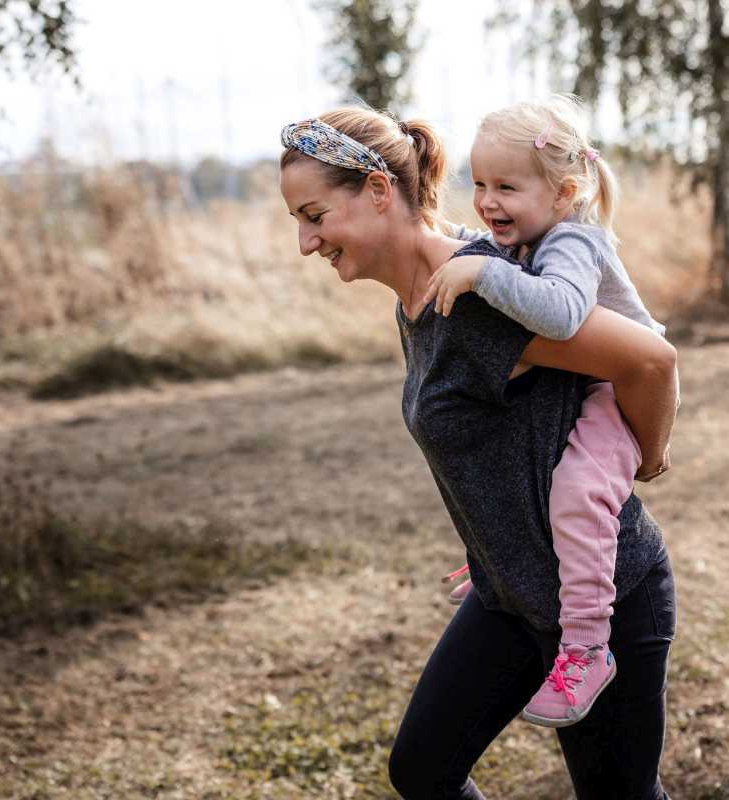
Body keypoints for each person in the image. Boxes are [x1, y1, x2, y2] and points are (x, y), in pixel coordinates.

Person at [279, 107, 678, 800]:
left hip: (602, 600)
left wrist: (644, 458)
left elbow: (650, 359)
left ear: (378, 191)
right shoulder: (421, 294)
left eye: (314, 215)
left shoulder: (481, 294)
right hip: (510, 598)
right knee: (424, 770)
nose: (307, 242)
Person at [419, 95, 670, 728]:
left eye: (506, 186)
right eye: (478, 184)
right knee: (529, 470)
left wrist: (479, 273)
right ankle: (510, 566)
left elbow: (559, 312)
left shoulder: (573, 243)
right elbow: (476, 242)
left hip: (616, 392)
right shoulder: (532, 232)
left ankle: (586, 647)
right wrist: (453, 244)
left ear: (561, 195)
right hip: (585, 386)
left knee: (578, 491)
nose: (487, 201)